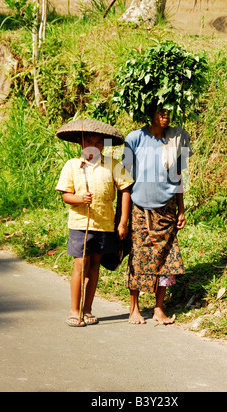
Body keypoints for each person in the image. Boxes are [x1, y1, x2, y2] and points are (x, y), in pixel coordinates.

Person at [56, 119, 134, 327]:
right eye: (89, 141)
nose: (94, 145)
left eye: (99, 142)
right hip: (81, 224)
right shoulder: (72, 165)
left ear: (104, 145)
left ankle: (87, 309)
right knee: (81, 265)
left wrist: (123, 222)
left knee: (94, 267)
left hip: (105, 224)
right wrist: (79, 199)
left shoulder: (113, 165)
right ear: (81, 143)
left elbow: (125, 191)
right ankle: (74, 310)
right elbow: (66, 196)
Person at [123, 105, 192, 325]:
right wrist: (123, 219)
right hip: (140, 209)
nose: (166, 115)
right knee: (139, 257)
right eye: (160, 111)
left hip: (167, 209)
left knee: (166, 260)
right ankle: (133, 308)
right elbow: (123, 177)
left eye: (169, 111)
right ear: (150, 113)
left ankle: (158, 308)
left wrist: (181, 208)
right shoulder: (134, 138)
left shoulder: (177, 138)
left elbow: (180, 175)